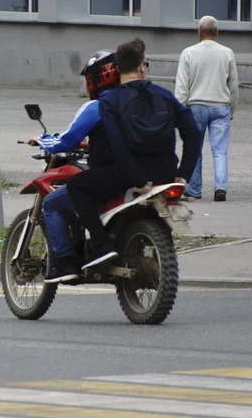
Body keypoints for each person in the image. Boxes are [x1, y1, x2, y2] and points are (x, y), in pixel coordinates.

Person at [66, 38, 202, 270]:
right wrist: (183, 173)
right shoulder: (165, 96)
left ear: (117, 69)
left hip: (128, 175)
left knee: (75, 186)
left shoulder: (109, 100)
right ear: (143, 66)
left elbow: (117, 144)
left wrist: (137, 180)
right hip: (166, 173)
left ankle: (101, 245)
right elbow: (194, 132)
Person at [30, 50, 120, 283]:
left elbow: (66, 141)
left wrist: (44, 140)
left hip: (109, 174)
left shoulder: (95, 107)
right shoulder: (134, 102)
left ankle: (65, 263)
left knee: (51, 204)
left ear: (96, 78)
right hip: (142, 172)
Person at [175, 15, 239, 202]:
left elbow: (182, 86)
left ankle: (194, 189)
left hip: (196, 107)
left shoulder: (188, 52)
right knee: (220, 150)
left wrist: (179, 111)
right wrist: (231, 110)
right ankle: (220, 187)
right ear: (217, 32)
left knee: (195, 148)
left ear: (199, 32)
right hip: (221, 106)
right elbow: (233, 85)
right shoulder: (227, 53)